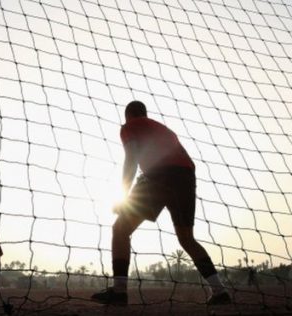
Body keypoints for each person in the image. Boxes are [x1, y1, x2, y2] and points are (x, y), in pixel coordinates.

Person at [91, 101, 230, 305]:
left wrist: (123, 194)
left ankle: (119, 292)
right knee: (186, 238)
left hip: (159, 175)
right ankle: (220, 291)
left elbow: (131, 157)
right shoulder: (164, 129)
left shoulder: (129, 126)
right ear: (145, 114)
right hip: (186, 176)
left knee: (120, 229)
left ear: (128, 115)